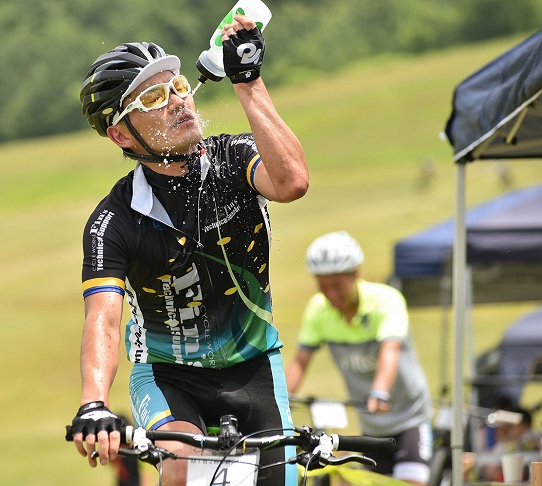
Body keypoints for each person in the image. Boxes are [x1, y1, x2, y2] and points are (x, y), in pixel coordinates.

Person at [68, 13, 309, 486]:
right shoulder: (113, 220)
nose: (178, 100)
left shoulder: (233, 158)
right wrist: (93, 401)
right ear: (121, 134)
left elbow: (293, 182)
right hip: (168, 378)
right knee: (180, 461)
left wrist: (249, 83)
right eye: (153, 98)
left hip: (256, 366)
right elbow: (103, 319)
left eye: (177, 85)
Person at [285, 231, 433, 486]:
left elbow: (390, 350)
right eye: (323, 285)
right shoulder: (318, 309)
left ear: (355, 274)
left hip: (410, 416)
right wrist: (281, 402)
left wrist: (379, 391)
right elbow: (300, 361)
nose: (331, 294)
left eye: (337, 285)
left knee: (410, 482)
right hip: (372, 424)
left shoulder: (386, 300)